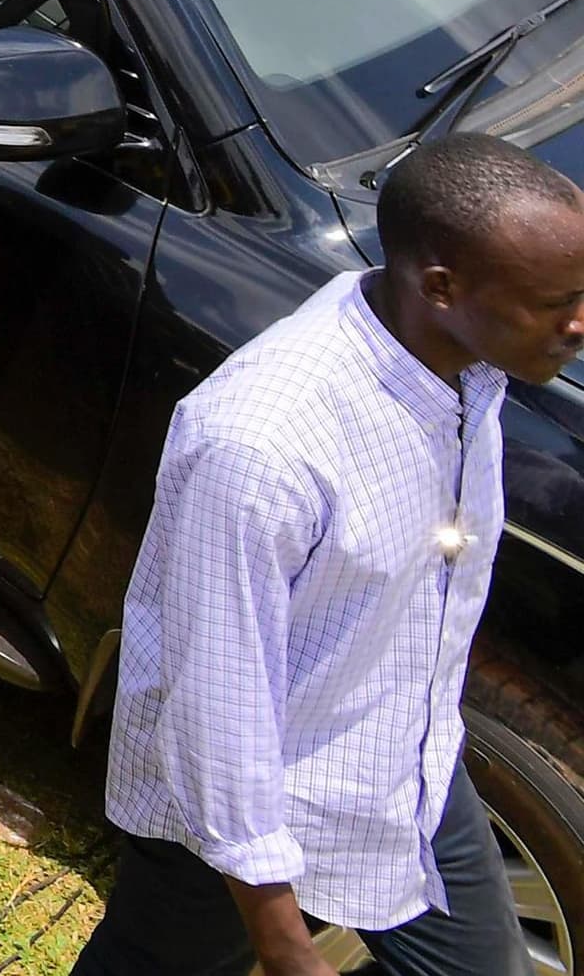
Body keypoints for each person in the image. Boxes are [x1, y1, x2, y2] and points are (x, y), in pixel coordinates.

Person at [76, 137, 584, 976]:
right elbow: (219, 714)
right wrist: (285, 946)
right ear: (442, 286)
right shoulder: (263, 443)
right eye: (555, 302)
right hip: (232, 816)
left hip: (402, 761)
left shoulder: (464, 363)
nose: (579, 324)